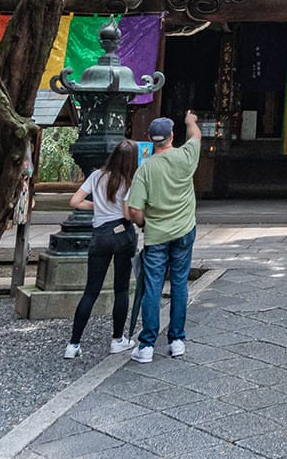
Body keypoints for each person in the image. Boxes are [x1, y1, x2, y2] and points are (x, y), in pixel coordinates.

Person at [126, 110, 200, 362]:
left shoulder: (145, 169)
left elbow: (134, 210)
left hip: (156, 235)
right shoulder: (185, 157)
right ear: (171, 136)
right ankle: (177, 340)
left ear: (150, 138)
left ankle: (146, 345)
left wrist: (145, 223)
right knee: (180, 284)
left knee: (152, 287)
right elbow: (196, 137)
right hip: (184, 230)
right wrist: (190, 121)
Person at [64, 138, 139, 359]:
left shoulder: (97, 175)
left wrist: (97, 206)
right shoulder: (129, 181)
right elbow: (127, 214)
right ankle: (117, 339)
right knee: (121, 289)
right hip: (122, 233)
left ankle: (73, 343)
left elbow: (75, 201)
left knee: (91, 290)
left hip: (100, 234)